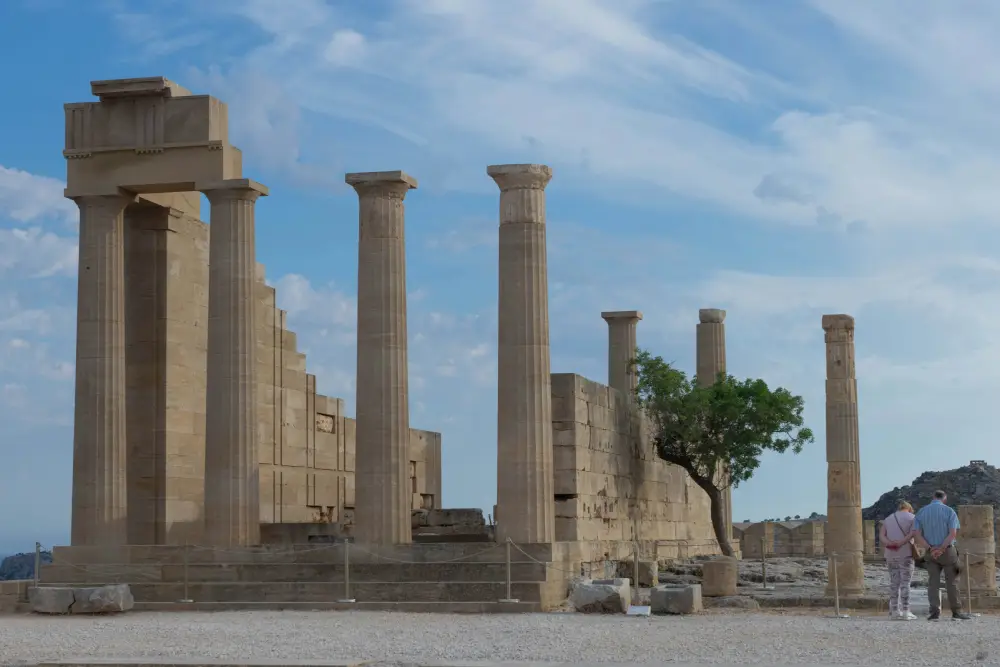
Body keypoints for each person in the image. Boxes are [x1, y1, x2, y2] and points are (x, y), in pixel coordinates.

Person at [913, 490, 973, 620]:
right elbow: (952, 534)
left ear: (933, 497)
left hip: (930, 552)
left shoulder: (921, 512)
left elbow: (916, 534)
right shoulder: (949, 511)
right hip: (948, 551)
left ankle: (934, 612)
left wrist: (930, 548)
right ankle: (956, 612)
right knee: (952, 582)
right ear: (944, 498)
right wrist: (941, 548)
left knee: (933, 583)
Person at [881, 500, 917, 620]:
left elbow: (882, 536)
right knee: (905, 583)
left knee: (894, 583)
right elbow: (913, 533)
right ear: (909, 508)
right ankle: (906, 610)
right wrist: (901, 542)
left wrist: (890, 543)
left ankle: (894, 611)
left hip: (890, 554)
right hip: (905, 553)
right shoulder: (912, 517)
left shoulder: (888, 519)